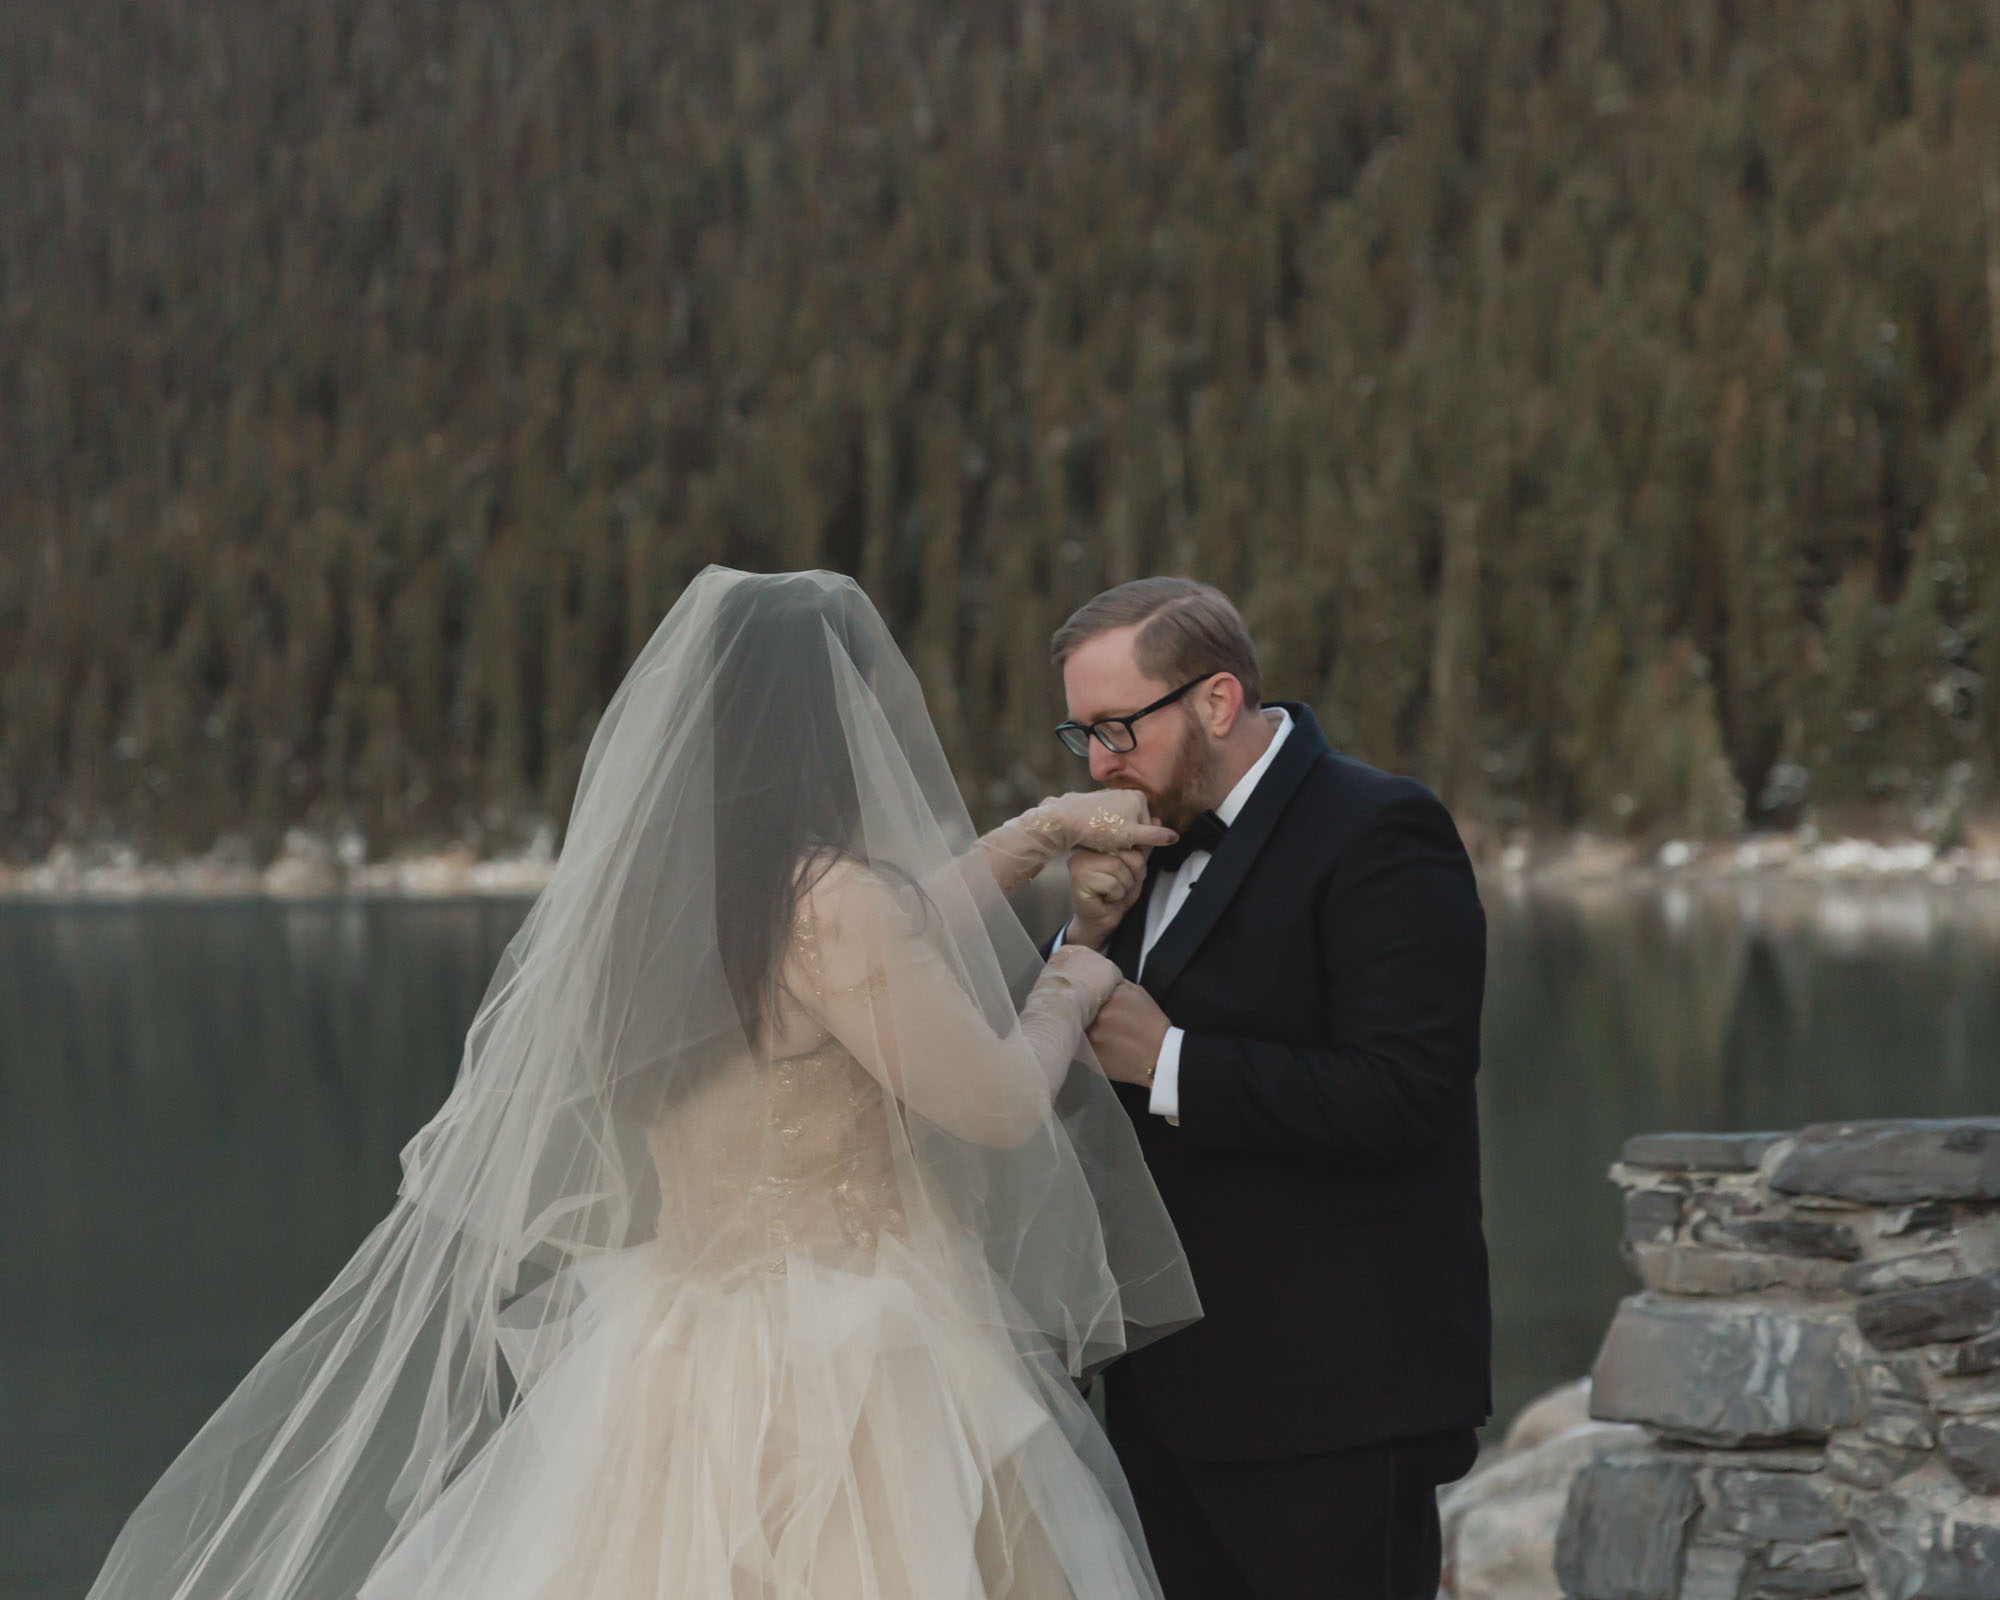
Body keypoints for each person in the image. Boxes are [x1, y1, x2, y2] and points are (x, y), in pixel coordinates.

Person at [85, 568, 1200, 1600]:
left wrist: (1034, 834)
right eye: (864, 706)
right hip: (855, 1367)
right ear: (824, 726)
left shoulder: (664, 904)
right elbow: (999, 1101)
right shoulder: (833, 901)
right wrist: (1073, 976)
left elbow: (882, 951)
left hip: (669, 1357)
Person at [1051, 578, 1490, 1600]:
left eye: (1116, 727)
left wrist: (1168, 1060)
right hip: (1162, 1395)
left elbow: (1405, 1092)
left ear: (1214, 701)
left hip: (1331, 1405)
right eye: (1080, 735)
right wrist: (1082, 931)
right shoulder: (1138, 839)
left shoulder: (1379, 828)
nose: (1100, 761)